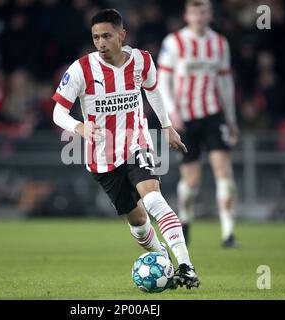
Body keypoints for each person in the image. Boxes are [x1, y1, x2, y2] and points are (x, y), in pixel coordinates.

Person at [52, 9, 199, 289]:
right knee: (138, 221)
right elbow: (58, 113)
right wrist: (80, 127)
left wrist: (166, 125)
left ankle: (186, 266)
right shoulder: (81, 69)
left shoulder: (142, 60)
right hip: (101, 158)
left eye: (107, 36)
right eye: (96, 37)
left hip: (136, 142)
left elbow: (153, 89)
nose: (101, 43)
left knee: (153, 199)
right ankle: (163, 260)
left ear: (122, 35)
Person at [158, 0, 239, 248]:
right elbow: (163, 80)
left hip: (213, 115)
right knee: (191, 180)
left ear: (210, 14)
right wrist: (172, 113)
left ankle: (228, 234)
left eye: (203, 11)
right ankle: (186, 220)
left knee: (223, 172)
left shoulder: (219, 43)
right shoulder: (174, 42)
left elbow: (225, 83)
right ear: (186, 14)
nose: (199, 16)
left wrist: (231, 118)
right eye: (194, 11)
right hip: (186, 118)